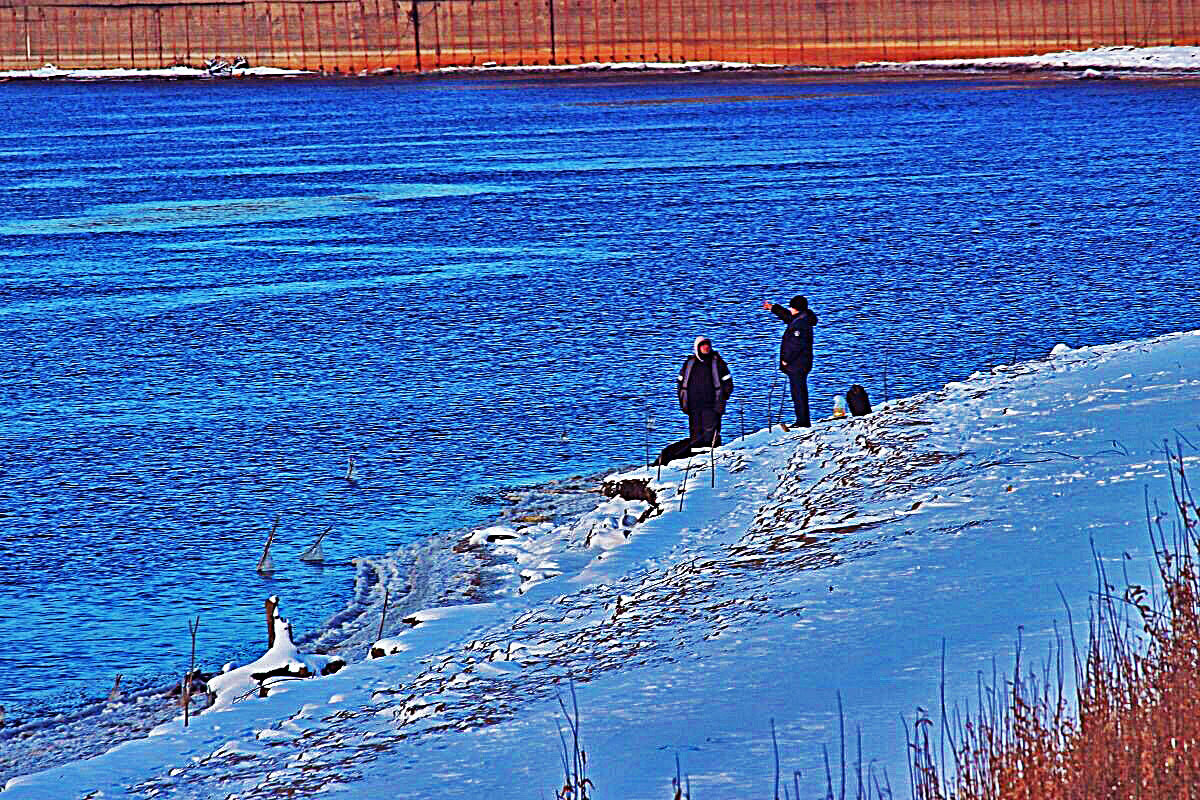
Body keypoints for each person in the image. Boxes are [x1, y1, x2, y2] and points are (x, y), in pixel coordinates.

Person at [762, 295, 819, 427]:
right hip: (802, 363)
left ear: (796, 308)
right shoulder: (802, 318)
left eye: (791, 307)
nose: (790, 309)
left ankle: (802, 421)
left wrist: (786, 360)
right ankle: (802, 419)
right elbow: (787, 316)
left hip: (797, 364)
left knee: (798, 392)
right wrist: (772, 308)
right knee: (799, 391)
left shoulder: (800, 324)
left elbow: (795, 345)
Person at [676, 336, 733, 448]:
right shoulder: (689, 363)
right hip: (693, 406)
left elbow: (728, 383)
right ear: (697, 348)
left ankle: (712, 455)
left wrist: (723, 397)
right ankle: (697, 458)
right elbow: (680, 383)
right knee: (696, 433)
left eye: (708, 345)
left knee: (710, 433)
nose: (706, 347)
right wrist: (682, 399)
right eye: (703, 345)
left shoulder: (718, 362)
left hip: (712, 405)